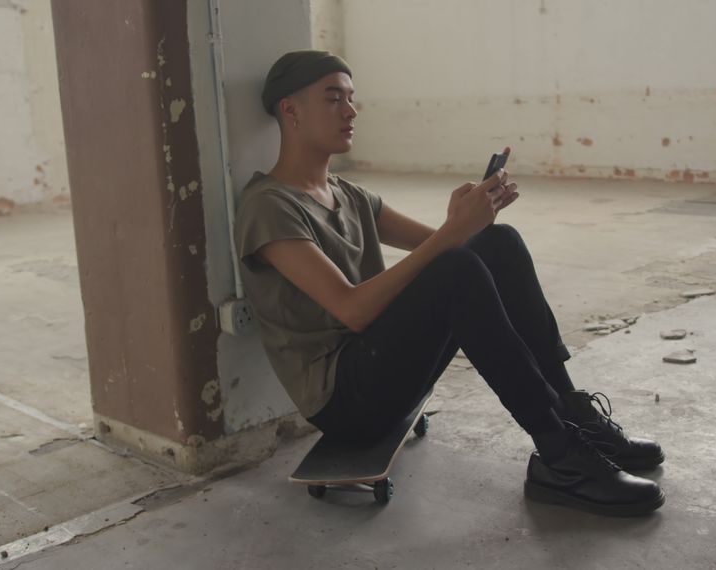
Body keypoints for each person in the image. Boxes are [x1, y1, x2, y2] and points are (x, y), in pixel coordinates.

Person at [233, 50, 665, 516]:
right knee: (454, 270)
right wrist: (454, 233)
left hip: (385, 367)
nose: (351, 111)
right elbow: (352, 309)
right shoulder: (268, 205)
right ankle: (560, 455)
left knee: (496, 243)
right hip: (345, 399)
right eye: (333, 98)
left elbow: (450, 245)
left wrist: (476, 216)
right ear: (290, 111)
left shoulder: (348, 194)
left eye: (352, 99)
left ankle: (573, 416)